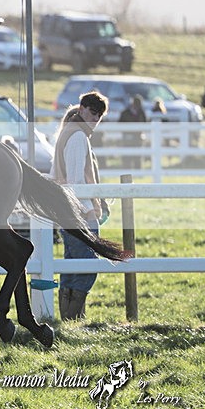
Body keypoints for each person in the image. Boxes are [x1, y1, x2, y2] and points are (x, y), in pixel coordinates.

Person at [50, 91, 109, 320]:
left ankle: (69, 318)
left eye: (99, 116)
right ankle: (74, 317)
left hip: (66, 210)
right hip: (80, 212)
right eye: (92, 113)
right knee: (87, 266)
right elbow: (76, 182)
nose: (95, 119)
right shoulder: (77, 136)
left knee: (72, 265)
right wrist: (88, 210)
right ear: (82, 109)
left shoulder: (68, 132)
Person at [117, 94, 147, 170]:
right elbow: (120, 124)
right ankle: (127, 171)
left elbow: (145, 124)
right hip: (127, 138)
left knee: (138, 157)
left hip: (138, 138)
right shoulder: (125, 113)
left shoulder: (141, 112)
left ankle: (138, 172)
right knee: (127, 157)